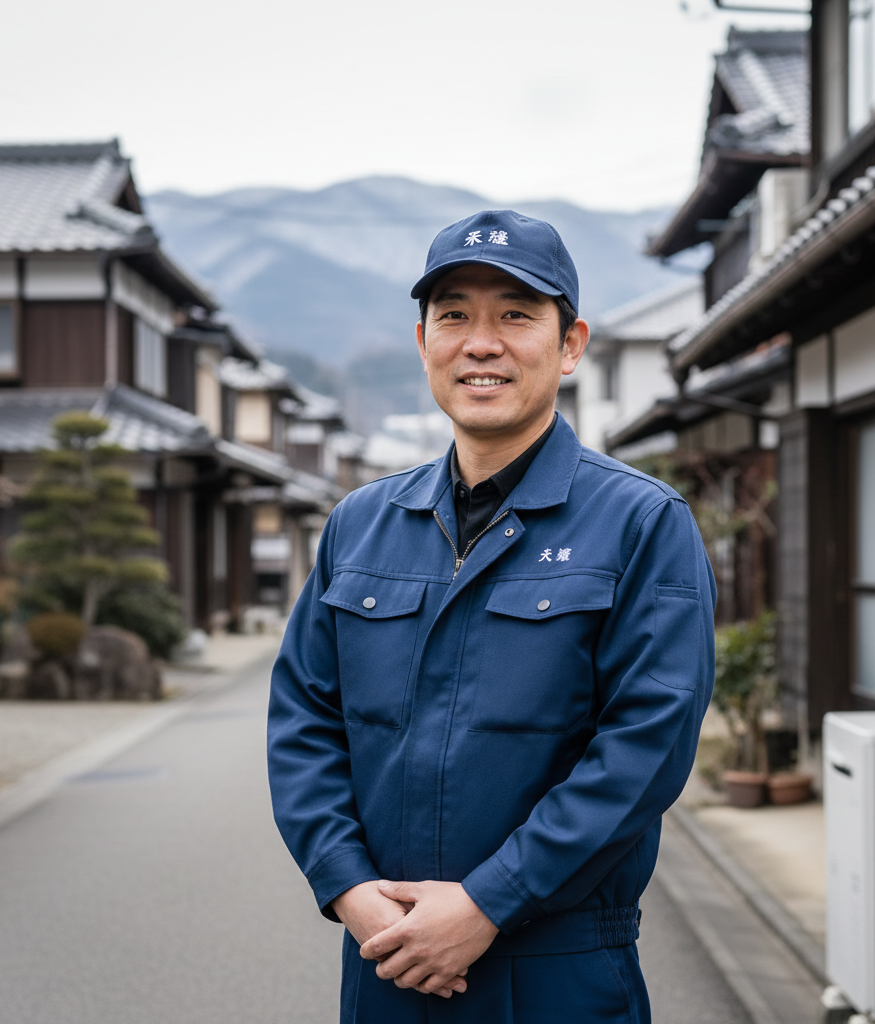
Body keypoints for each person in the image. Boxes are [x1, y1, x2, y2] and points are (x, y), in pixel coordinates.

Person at [268, 209, 716, 1023]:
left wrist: (489, 902)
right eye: (455, 316)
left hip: (560, 966)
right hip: (386, 958)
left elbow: (646, 746)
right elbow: (303, 717)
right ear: (423, 344)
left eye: (516, 314)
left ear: (570, 343)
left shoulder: (640, 522)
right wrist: (345, 885)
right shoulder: (360, 524)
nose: (482, 342)